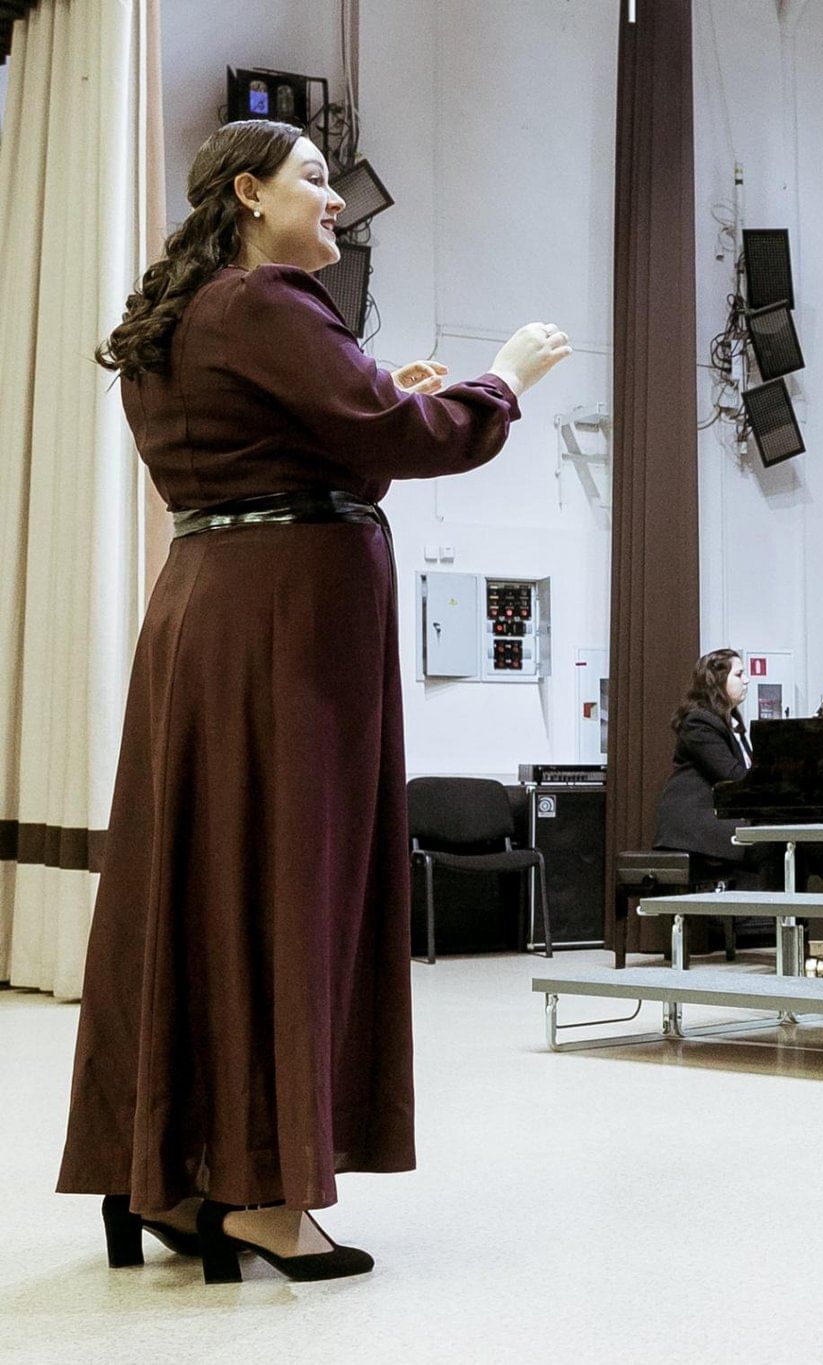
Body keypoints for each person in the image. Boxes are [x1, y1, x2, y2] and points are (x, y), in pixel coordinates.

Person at [59, 119, 568, 1281]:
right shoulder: (268, 303)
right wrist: (503, 382)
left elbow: (316, 445)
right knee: (295, 885)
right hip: (290, 625)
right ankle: (267, 1196)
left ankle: (178, 1176)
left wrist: (378, 401)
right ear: (248, 192)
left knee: (203, 886)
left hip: (208, 609)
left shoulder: (181, 318)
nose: (335, 202)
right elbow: (396, 436)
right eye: (316, 180)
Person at [654, 649, 767, 883]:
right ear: (717, 681)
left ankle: (790, 915)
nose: (746, 680)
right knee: (772, 848)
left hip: (717, 819)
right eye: (739, 674)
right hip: (697, 824)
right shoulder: (698, 722)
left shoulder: (731, 723)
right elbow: (733, 777)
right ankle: (771, 916)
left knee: (789, 845)